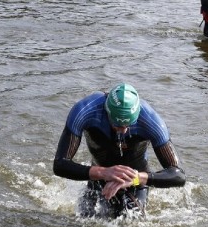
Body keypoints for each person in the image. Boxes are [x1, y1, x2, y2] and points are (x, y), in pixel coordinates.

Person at [53, 83, 186, 219]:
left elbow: (178, 175)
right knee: (84, 223)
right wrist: (103, 173)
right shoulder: (85, 110)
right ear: (107, 112)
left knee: (133, 223)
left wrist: (137, 178)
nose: (123, 130)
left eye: (129, 124)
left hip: (135, 182)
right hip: (98, 177)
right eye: (117, 125)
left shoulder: (151, 120)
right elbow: (60, 164)